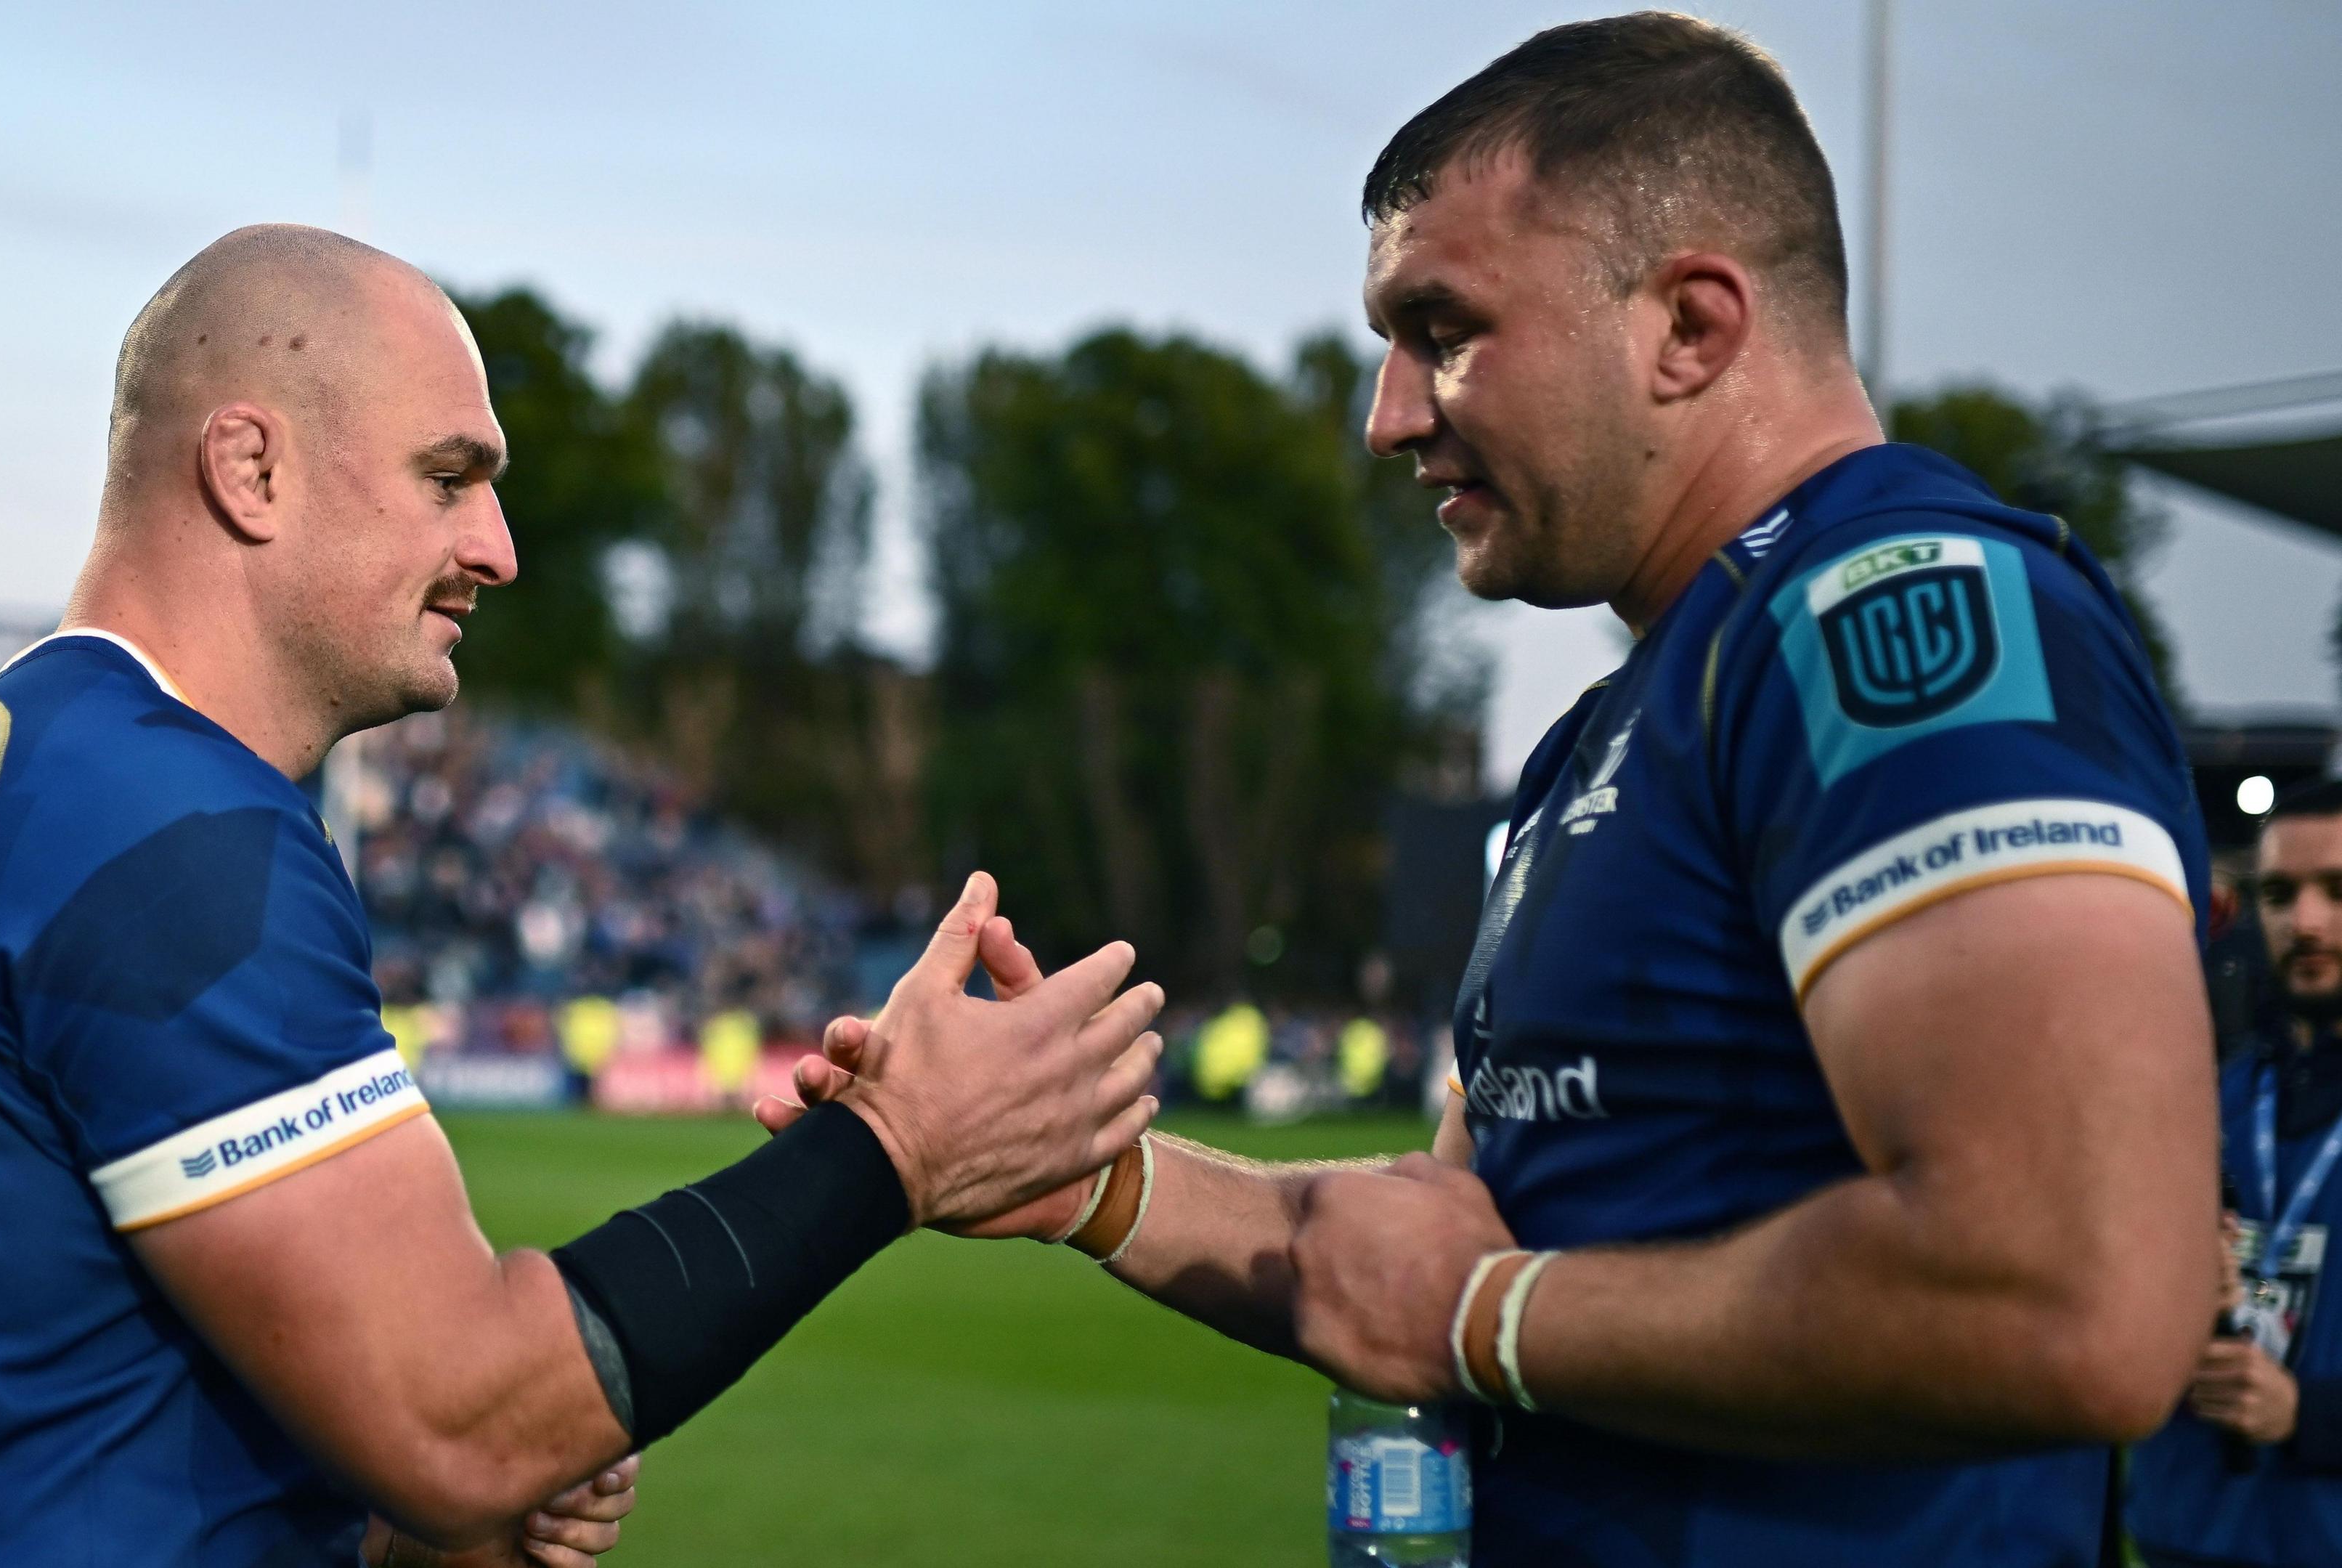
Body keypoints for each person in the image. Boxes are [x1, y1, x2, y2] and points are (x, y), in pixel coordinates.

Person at [768, 15, 2214, 1564]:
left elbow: (2076, 1290)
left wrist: (1485, 1317)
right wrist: (1087, 1174)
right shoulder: (1616, 725)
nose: (1389, 412)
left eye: (1442, 327)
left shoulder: (1902, 618)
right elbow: (1441, 1233)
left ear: (1692, 326)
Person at [0, 224, 1166, 1568]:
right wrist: (900, 1141)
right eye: (451, 477)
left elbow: (37, 1371)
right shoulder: (160, 822)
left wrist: (379, 1529)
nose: (499, 546)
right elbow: (453, 1410)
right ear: (251, 467)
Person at [2130, 779, 2342, 1567]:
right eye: (2281, 893)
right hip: (2182, 1529)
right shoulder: (2208, 1089)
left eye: (2338, 891)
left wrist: (2308, 1415)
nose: (2307, 922)